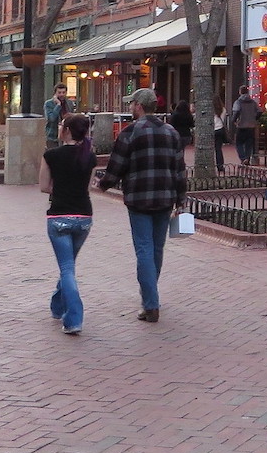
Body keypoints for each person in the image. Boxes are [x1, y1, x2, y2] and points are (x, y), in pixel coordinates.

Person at [97, 87, 186, 323]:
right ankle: (150, 296)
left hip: (139, 199)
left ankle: (150, 302)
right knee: (156, 249)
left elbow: (116, 167)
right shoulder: (171, 133)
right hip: (165, 198)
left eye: (131, 104)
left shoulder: (130, 133)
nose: (129, 107)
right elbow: (179, 170)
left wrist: (102, 184)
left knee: (144, 249)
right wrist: (181, 199)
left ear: (138, 105)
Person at [38, 114, 94, 335]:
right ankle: (57, 304)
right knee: (68, 265)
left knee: (67, 268)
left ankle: (74, 317)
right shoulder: (88, 156)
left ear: (67, 130)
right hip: (83, 216)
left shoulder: (51, 155)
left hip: (59, 216)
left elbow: (43, 186)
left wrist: (59, 189)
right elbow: (88, 188)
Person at [227, 86, 260, 165]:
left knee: (239, 143)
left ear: (240, 92)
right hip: (251, 125)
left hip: (241, 125)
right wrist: (254, 118)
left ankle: (243, 157)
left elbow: (236, 111)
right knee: (249, 143)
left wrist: (234, 120)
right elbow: (259, 111)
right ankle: (247, 158)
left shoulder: (238, 102)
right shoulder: (253, 102)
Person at [212, 98, 228, 173]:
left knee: (211, 148)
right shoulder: (223, 110)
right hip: (220, 129)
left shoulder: (212, 111)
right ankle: (220, 165)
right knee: (218, 149)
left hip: (213, 130)